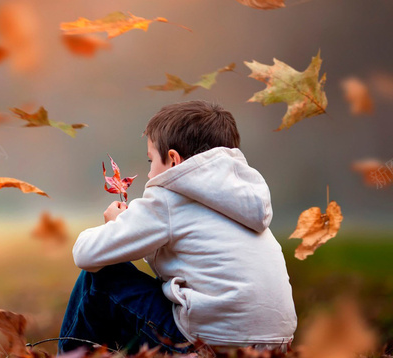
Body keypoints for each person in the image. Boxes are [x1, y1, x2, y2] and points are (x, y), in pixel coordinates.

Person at [58, 100, 297, 355]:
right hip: (275, 346)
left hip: (208, 346)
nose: (150, 175)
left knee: (99, 277)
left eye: (151, 161)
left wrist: (114, 226)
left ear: (173, 160)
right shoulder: (245, 199)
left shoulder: (170, 197)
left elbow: (85, 254)